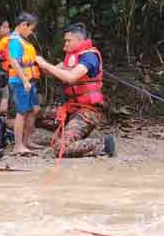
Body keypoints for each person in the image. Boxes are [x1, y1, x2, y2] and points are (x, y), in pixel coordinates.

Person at [36, 22, 116, 158]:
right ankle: (70, 130)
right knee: (35, 114)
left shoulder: (89, 57)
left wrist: (45, 64)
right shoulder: (71, 57)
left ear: (79, 40)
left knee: (60, 149)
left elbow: (71, 77)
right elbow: (50, 72)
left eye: (68, 41)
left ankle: (102, 143)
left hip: (88, 112)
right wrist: (36, 61)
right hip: (71, 109)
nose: (65, 44)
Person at [0, 11, 40, 156]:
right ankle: (18, 145)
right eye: (31, 29)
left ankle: (27, 141)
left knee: (35, 109)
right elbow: (13, 61)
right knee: (22, 112)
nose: (32, 32)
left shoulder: (22, 39)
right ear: (23, 25)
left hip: (29, 80)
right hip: (20, 81)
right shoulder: (14, 41)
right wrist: (25, 81)